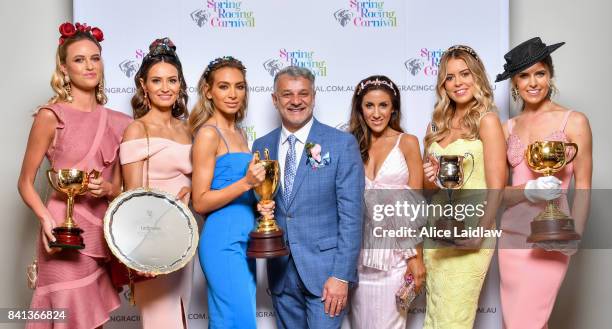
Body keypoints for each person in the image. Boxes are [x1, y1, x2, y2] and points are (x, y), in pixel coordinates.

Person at [17, 22, 131, 329]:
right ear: (64, 69)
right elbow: (25, 182)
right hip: (61, 232)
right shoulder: (51, 116)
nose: (89, 66)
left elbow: (120, 188)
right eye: (79, 59)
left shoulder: (120, 122)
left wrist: (106, 188)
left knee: (93, 322)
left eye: (95, 58)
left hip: (99, 235)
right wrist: (45, 219)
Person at [251, 66, 365, 329]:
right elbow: (263, 201)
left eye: (303, 93)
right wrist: (261, 208)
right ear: (274, 99)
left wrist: (341, 275)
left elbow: (353, 216)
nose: (296, 101)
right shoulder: (262, 146)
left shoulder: (340, 143)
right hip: (281, 272)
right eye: (287, 94)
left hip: (326, 273)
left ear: (313, 96)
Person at [495, 37, 592, 329]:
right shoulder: (506, 128)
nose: (533, 82)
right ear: (514, 83)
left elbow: (584, 187)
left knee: (527, 322)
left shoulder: (574, 122)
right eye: (524, 76)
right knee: (523, 323)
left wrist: (575, 235)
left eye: (540, 73)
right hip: (511, 239)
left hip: (551, 238)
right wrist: (528, 190)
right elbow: (498, 195)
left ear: (550, 74)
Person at [421, 45, 506, 329]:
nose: (458, 82)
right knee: (435, 316)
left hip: (473, 230)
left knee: (454, 319)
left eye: (465, 74)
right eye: (450, 77)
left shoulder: (488, 121)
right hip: (438, 231)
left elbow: (497, 184)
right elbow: (427, 188)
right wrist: (430, 175)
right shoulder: (436, 124)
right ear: (442, 84)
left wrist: (480, 233)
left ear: (477, 76)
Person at [190, 56, 270, 329]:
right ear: (208, 91)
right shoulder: (208, 135)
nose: (233, 94)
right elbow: (199, 201)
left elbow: (241, 193)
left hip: (245, 240)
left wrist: (261, 202)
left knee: (232, 322)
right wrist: (247, 182)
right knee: (239, 322)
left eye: (239, 86)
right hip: (222, 241)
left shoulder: (239, 134)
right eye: (224, 87)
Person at [120, 38, 193, 329]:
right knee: (162, 322)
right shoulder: (137, 129)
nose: (165, 87)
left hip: (186, 239)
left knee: (182, 317)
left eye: (172, 80)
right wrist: (139, 254)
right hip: (153, 241)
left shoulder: (187, 129)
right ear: (144, 85)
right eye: (157, 80)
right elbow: (132, 200)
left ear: (180, 85)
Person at [347, 75, 426, 329]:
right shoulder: (350, 144)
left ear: (393, 108)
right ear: (360, 108)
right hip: (359, 257)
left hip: (396, 256)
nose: (376, 113)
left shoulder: (408, 143)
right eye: (369, 105)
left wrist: (416, 257)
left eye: (383, 105)